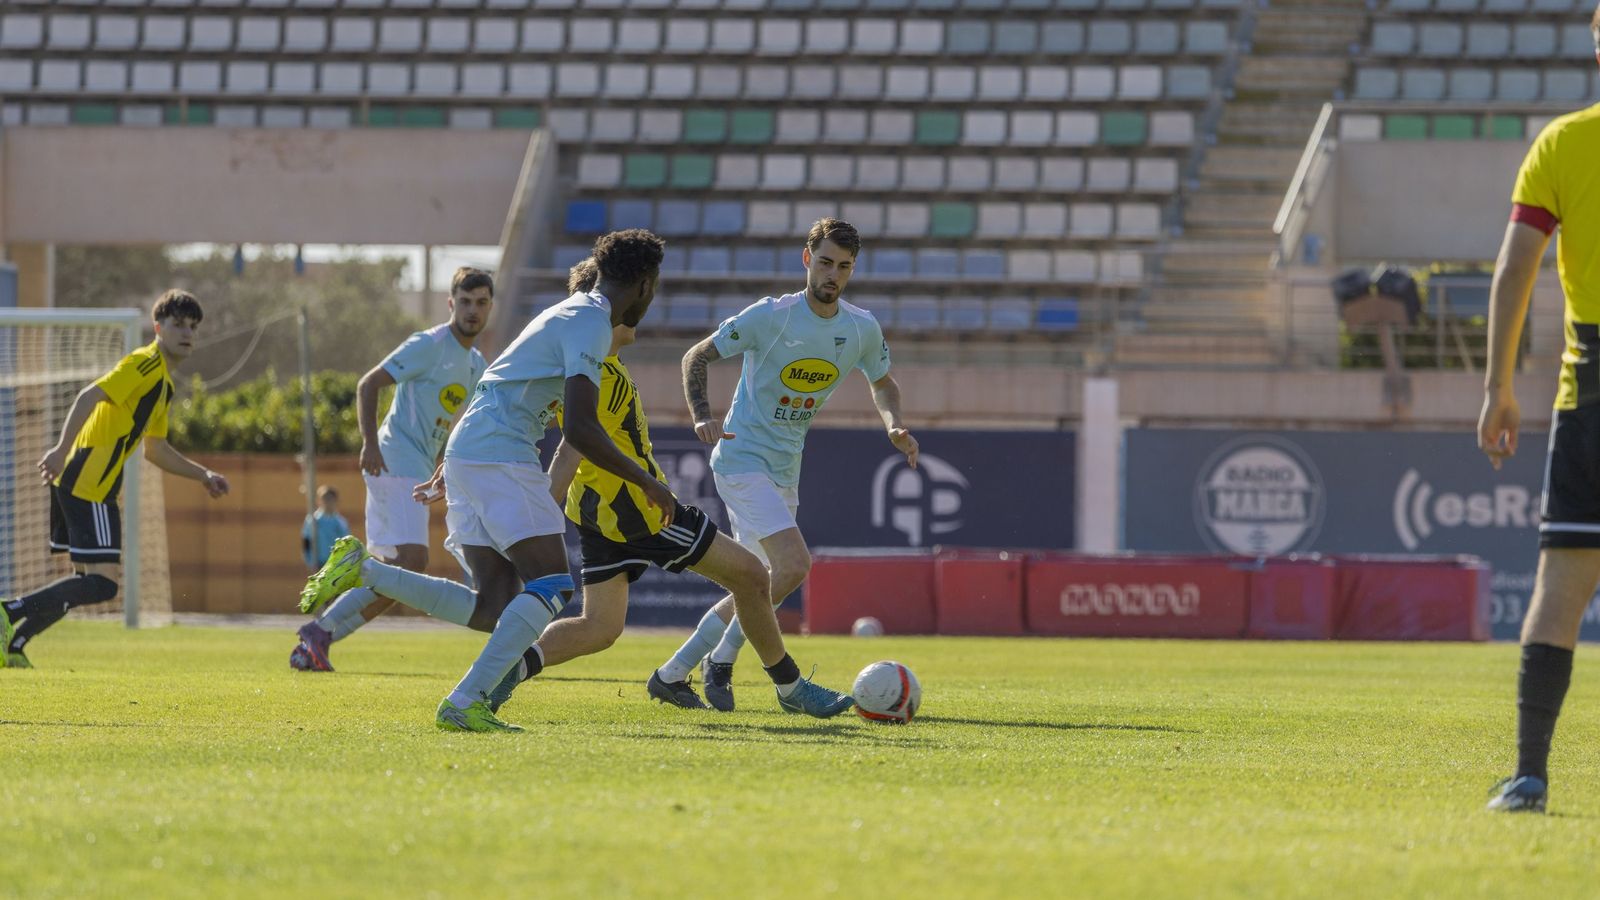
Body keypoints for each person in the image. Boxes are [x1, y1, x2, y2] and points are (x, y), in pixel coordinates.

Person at [298, 230, 676, 732]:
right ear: (646, 286)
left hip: (474, 449)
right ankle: (466, 699)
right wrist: (649, 482)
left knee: (492, 604)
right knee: (553, 584)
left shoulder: (567, 311)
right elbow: (582, 428)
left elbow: (496, 378)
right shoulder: (591, 322)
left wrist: (452, 461)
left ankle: (366, 570)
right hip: (499, 452)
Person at [485, 259, 855, 719]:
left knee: (598, 628)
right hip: (643, 512)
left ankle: (502, 674)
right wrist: (537, 523)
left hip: (597, 515)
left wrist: (539, 517)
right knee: (753, 577)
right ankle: (790, 686)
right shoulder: (600, 373)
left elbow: (566, 450)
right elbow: (573, 448)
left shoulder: (595, 367)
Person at [651, 217, 919, 710]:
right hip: (740, 459)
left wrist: (894, 425)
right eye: (824, 263)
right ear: (806, 259)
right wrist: (702, 416)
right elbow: (696, 357)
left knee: (755, 585)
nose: (832, 275)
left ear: (853, 270)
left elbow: (883, 381)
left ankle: (674, 673)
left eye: (843, 266)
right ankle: (752, 673)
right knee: (792, 565)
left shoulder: (860, 328)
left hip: (784, 468)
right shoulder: (770, 317)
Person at [1478, 13, 1600, 813]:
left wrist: (1498, 386)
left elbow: (1517, 265)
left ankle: (1529, 776)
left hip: (1591, 386)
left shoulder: (1563, 143)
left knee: (1561, 582)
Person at [0, 290, 230, 668]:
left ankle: (15, 644)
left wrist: (202, 475)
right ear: (157, 328)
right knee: (103, 584)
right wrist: (60, 450)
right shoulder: (144, 364)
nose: (186, 333)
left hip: (88, 483)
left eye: (193, 327)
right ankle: (9, 611)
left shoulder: (164, 385)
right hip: (89, 482)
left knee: (83, 581)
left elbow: (155, 450)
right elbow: (90, 396)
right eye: (177, 324)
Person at [289, 267, 492, 672]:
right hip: (393, 458)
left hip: (416, 469)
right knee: (410, 567)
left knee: (392, 578)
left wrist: (443, 469)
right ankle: (321, 628)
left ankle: (317, 640)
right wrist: (368, 443)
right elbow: (368, 384)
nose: (473, 310)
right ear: (451, 303)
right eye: (465, 302)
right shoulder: (429, 344)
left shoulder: (475, 364)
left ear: (489, 307)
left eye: (482, 302)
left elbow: (458, 426)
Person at [301, 485, 351, 569]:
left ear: (336, 501)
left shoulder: (340, 522)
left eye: (330, 499)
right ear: (319, 500)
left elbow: (347, 544)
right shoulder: (313, 520)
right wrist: (310, 561)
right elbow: (306, 542)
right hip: (319, 564)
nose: (326, 502)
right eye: (324, 498)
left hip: (336, 565)